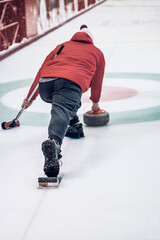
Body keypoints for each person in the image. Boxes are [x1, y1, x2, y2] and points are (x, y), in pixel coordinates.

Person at [21, 25, 105, 178]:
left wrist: (30, 98)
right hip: (70, 83)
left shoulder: (62, 46)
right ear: (91, 40)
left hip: (46, 86)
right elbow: (97, 81)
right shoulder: (97, 52)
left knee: (67, 103)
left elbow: (42, 69)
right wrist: (95, 103)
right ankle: (54, 143)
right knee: (63, 108)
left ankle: (74, 125)